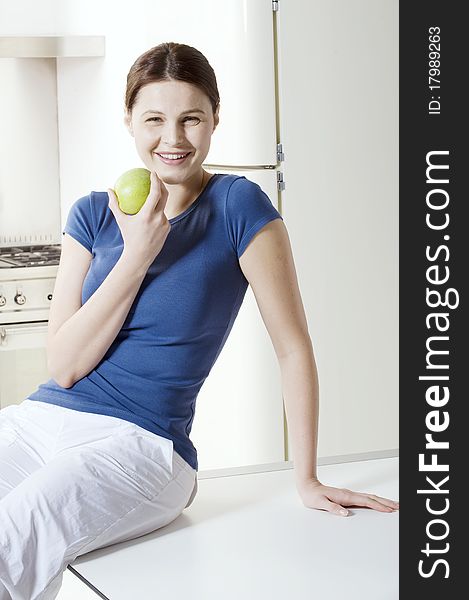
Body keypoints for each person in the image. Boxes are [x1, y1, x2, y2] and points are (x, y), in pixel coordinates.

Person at [0, 42, 398, 599]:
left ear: (215, 119)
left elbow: (293, 347)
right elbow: (63, 367)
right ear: (130, 123)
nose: (174, 139)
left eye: (192, 119)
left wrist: (305, 478)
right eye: (155, 120)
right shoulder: (94, 212)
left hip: (144, 444)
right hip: (42, 419)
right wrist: (137, 251)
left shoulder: (239, 206)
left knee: (12, 536)